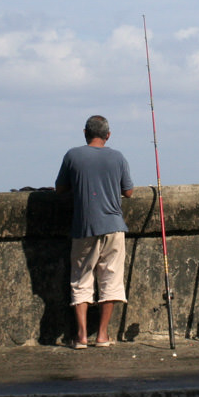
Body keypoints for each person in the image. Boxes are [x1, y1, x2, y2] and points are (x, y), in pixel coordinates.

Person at [55, 115, 134, 348]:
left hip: (84, 226)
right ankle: (101, 335)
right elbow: (128, 192)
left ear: (85, 133)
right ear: (107, 135)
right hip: (113, 226)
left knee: (81, 280)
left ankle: (80, 336)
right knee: (110, 280)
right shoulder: (118, 157)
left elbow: (60, 188)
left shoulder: (72, 155)